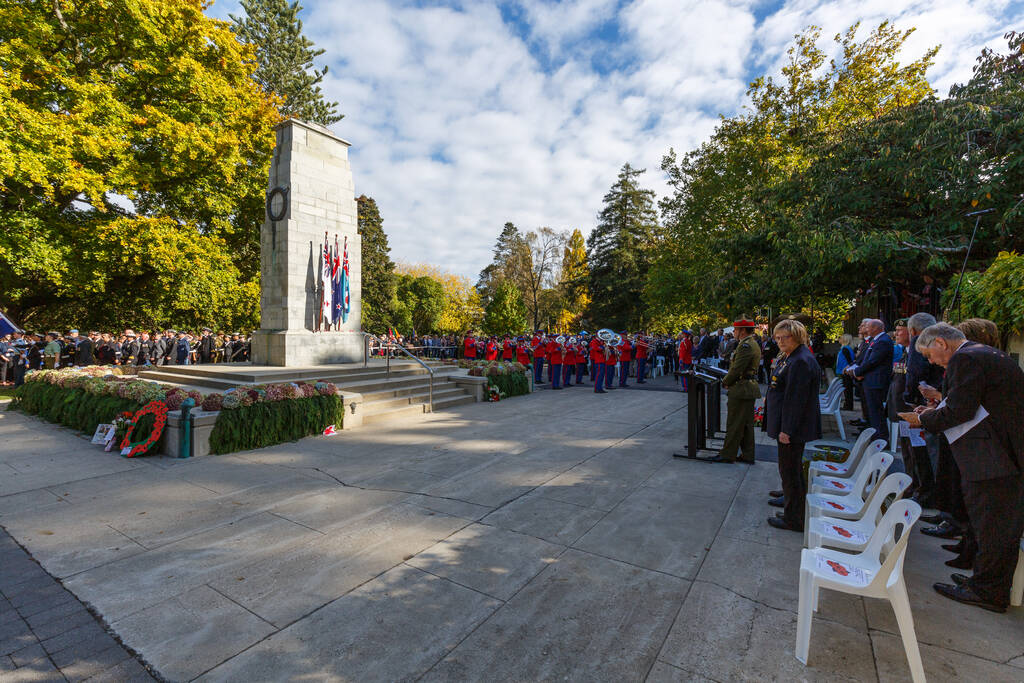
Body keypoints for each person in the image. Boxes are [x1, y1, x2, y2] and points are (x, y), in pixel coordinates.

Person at [902, 323, 1024, 613]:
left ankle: (988, 591)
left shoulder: (965, 358)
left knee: (994, 526)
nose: (931, 362)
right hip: (1000, 454)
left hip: (994, 458)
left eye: (929, 355)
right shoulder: (985, 353)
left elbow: (961, 409)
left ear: (942, 343)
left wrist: (924, 421)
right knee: (990, 522)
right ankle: (982, 581)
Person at [765, 319, 822, 532]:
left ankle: (794, 518)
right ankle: (791, 503)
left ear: (797, 336)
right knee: (790, 469)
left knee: (790, 470)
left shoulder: (800, 360)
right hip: (787, 423)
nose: (780, 341)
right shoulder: (792, 357)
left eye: (784, 337)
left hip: (792, 427)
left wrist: (787, 429)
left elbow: (795, 400)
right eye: (777, 338)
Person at [712, 318, 762, 464]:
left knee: (734, 423)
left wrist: (726, 381)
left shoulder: (745, 346)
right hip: (746, 387)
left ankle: (727, 454)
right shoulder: (751, 344)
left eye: (735, 329)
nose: (733, 332)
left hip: (741, 388)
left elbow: (736, 368)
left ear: (742, 330)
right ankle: (748, 454)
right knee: (746, 425)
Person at [844, 318, 892, 441]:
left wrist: (856, 372)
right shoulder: (876, 340)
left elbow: (872, 361)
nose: (866, 329)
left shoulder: (883, 341)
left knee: (876, 413)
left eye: (868, 327)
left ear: (875, 328)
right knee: (872, 412)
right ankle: (874, 436)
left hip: (875, 382)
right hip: (869, 381)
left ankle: (880, 439)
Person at [835, 333, 856, 410]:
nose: (839, 339)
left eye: (841, 338)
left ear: (845, 340)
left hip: (846, 371)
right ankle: (847, 405)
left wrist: (846, 368)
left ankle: (848, 406)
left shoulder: (845, 349)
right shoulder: (846, 348)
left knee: (847, 390)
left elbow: (850, 361)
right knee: (847, 389)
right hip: (845, 371)